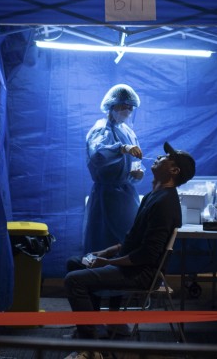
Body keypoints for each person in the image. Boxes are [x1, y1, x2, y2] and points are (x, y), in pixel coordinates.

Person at [64, 142, 195, 347]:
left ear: (174, 170)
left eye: (166, 157)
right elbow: (134, 239)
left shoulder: (164, 203)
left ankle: (90, 348)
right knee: (74, 263)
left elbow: (147, 255)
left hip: (140, 274)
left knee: (74, 281)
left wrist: (110, 262)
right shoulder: (153, 196)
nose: (159, 157)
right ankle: (94, 329)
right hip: (132, 266)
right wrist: (107, 252)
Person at [82, 84, 145, 254]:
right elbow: (98, 156)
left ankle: (121, 278)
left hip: (126, 194)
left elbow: (134, 160)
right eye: (125, 106)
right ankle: (100, 276)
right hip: (107, 195)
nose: (129, 110)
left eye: (131, 107)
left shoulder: (127, 131)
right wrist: (121, 148)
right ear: (113, 105)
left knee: (126, 239)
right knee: (104, 239)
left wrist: (136, 173)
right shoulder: (101, 130)